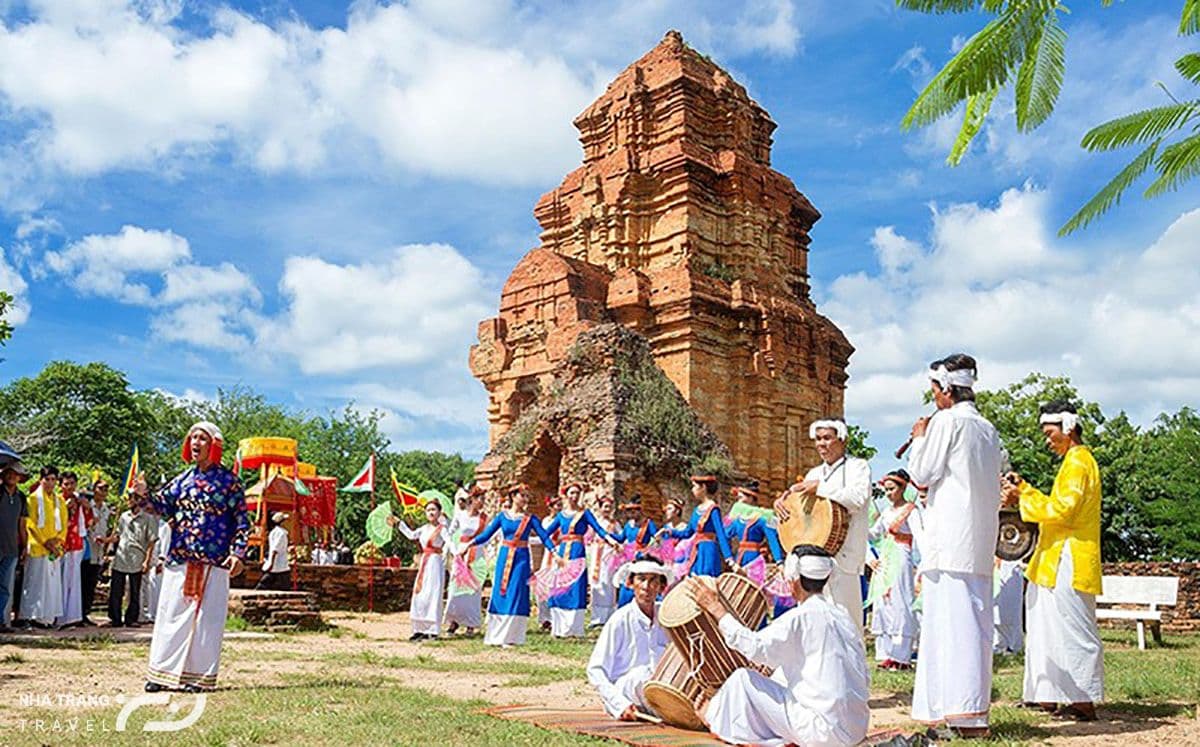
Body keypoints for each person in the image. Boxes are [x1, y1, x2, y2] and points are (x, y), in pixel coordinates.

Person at [906, 354, 1003, 738]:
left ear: (946, 390)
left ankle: (962, 716)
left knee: (952, 628)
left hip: (950, 539)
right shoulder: (988, 428)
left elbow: (920, 473)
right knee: (972, 627)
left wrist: (919, 439)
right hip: (977, 541)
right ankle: (964, 714)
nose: (933, 398)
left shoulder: (946, 422)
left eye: (933, 390)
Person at [696, 546, 870, 747]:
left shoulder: (800, 617)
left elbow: (756, 649)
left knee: (742, 680)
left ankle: (712, 717)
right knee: (779, 675)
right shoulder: (843, 615)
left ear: (794, 579)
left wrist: (717, 610)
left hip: (822, 733)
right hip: (856, 728)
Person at [1002, 401, 1104, 721]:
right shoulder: (1071, 462)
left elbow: (1064, 511)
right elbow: (1054, 507)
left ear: (1069, 428)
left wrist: (1023, 496)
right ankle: (1045, 696)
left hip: (1070, 558)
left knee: (1072, 629)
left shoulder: (1079, 462)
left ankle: (1082, 699)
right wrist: (1024, 490)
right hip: (1052, 558)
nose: (1048, 441)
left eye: (1050, 434)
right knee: (1043, 626)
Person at [133, 421, 250, 692]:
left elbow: (242, 521)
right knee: (171, 614)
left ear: (214, 445)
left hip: (214, 560)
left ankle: (198, 678)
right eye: (192, 438)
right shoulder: (183, 480)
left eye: (202, 438)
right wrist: (143, 494)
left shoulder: (230, 482)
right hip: (181, 558)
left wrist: (238, 553)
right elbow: (161, 506)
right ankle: (161, 673)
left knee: (207, 620)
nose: (196, 442)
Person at [775, 419, 871, 637]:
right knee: (812, 623)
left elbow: (857, 498)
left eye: (827, 438)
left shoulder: (858, 467)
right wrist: (783, 502)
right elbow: (800, 511)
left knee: (847, 623)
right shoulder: (813, 473)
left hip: (844, 557)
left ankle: (851, 670)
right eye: (818, 439)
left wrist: (821, 487)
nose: (821, 444)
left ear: (842, 440)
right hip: (812, 561)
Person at [464, 485, 557, 647]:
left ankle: (512, 637)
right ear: (513, 496)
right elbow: (487, 535)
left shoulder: (530, 519)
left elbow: (544, 536)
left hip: (521, 559)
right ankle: (496, 636)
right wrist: (469, 544)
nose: (525, 499)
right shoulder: (502, 517)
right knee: (501, 591)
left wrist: (555, 553)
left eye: (527, 496)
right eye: (523, 495)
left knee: (517, 592)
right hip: (504, 556)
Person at [586, 555, 672, 720]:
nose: (647, 587)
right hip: (627, 690)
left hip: (662, 690)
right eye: (641, 579)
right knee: (642, 675)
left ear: (661, 587)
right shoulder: (619, 619)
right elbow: (595, 670)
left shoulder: (666, 616)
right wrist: (619, 703)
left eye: (653, 580)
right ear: (630, 584)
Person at [545, 483, 613, 638]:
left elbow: (598, 529)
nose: (574, 496)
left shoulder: (585, 513)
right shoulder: (561, 516)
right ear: (566, 495)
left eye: (577, 493)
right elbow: (545, 533)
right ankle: (558, 627)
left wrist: (610, 540)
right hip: (562, 553)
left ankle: (574, 628)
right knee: (560, 586)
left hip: (577, 551)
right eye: (572, 493)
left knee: (576, 586)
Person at [867, 469, 918, 669]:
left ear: (902, 488)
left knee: (901, 600)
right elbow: (873, 534)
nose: (888, 493)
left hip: (902, 554)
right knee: (883, 602)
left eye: (892, 489)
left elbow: (920, 536)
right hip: (886, 556)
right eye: (886, 490)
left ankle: (902, 655)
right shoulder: (887, 512)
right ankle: (886, 652)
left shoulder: (910, 511)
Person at [391, 501, 453, 640]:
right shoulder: (424, 528)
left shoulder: (442, 529)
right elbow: (411, 535)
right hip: (425, 562)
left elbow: (449, 542)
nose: (431, 513)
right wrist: (399, 523)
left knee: (433, 594)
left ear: (439, 512)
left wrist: (458, 553)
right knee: (421, 594)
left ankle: (433, 630)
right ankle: (419, 628)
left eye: (433, 510)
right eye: (428, 510)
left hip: (435, 563)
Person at [20, 466, 66, 628]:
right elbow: (30, 524)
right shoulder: (32, 499)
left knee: (51, 584)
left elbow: (64, 525)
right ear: (41, 480)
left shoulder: (59, 501)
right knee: (35, 582)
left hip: (54, 548)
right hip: (37, 546)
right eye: (47, 479)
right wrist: (46, 542)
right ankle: (30, 616)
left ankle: (46, 618)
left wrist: (57, 542)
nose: (50, 483)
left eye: (53, 479)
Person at [661, 475, 734, 577]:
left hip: (708, 550)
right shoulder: (697, 510)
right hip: (696, 550)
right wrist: (671, 532)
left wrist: (729, 558)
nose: (692, 490)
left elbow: (721, 534)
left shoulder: (713, 509)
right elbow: (688, 532)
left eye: (694, 486)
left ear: (703, 487)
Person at [109, 490, 157, 627]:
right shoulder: (124, 516)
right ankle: (115, 618)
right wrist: (106, 540)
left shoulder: (148, 518)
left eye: (132, 498)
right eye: (129, 498)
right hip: (121, 556)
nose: (129, 501)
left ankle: (131, 619)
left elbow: (151, 541)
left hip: (137, 557)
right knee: (116, 589)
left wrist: (147, 561)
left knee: (135, 591)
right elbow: (118, 535)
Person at [444, 486, 486, 635]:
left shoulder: (484, 519)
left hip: (476, 554)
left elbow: (489, 536)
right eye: (480, 499)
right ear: (473, 500)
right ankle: (453, 621)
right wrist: (454, 550)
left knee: (474, 589)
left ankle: (471, 624)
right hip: (461, 553)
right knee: (456, 588)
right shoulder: (460, 515)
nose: (482, 503)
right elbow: (448, 534)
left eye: (484, 500)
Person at [612, 495, 659, 607]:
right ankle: (624, 606)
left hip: (642, 557)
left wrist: (648, 550)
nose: (631, 514)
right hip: (629, 558)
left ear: (639, 511)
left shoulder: (648, 524)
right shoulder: (629, 525)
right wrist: (606, 535)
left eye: (633, 511)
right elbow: (621, 538)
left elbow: (657, 539)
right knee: (627, 582)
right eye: (629, 512)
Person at [56, 472, 89, 628]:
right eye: (66, 484)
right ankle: (57, 617)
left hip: (76, 544)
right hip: (60, 545)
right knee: (60, 580)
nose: (69, 487)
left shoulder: (79, 501)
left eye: (72, 483)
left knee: (73, 582)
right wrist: (64, 508)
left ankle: (72, 617)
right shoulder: (57, 500)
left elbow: (89, 522)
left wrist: (87, 508)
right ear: (60, 485)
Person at [0, 462, 30, 631]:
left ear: (20, 477)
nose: (11, 476)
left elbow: (22, 524)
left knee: (5, 587)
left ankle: (1, 621)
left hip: (11, 548)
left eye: (15, 473)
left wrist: (25, 546)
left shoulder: (21, 497)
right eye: (8, 473)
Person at [81, 480, 113, 626]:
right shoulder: (87, 506)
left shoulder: (106, 509)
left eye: (106, 488)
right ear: (94, 489)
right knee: (83, 582)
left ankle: (86, 612)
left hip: (100, 551)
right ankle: (79, 613)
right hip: (87, 549)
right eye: (101, 488)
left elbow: (106, 529)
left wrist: (107, 542)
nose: (103, 491)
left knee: (92, 583)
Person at [589, 495, 620, 627]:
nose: (607, 509)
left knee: (608, 583)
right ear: (600, 508)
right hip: (596, 553)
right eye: (605, 507)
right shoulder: (596, 523)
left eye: (609, 507)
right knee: (596, 583)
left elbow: (620, 537)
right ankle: (596, 617)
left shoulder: (615, 524)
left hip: (608, 555)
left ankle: (608, 616)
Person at [257, 512, 292, 591]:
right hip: (280, 563)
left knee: (270, 579)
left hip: (278, 562)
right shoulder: (282, 534)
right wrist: (271, 563)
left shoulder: (273, 532)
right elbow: (275, 549)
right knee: (282, 583)